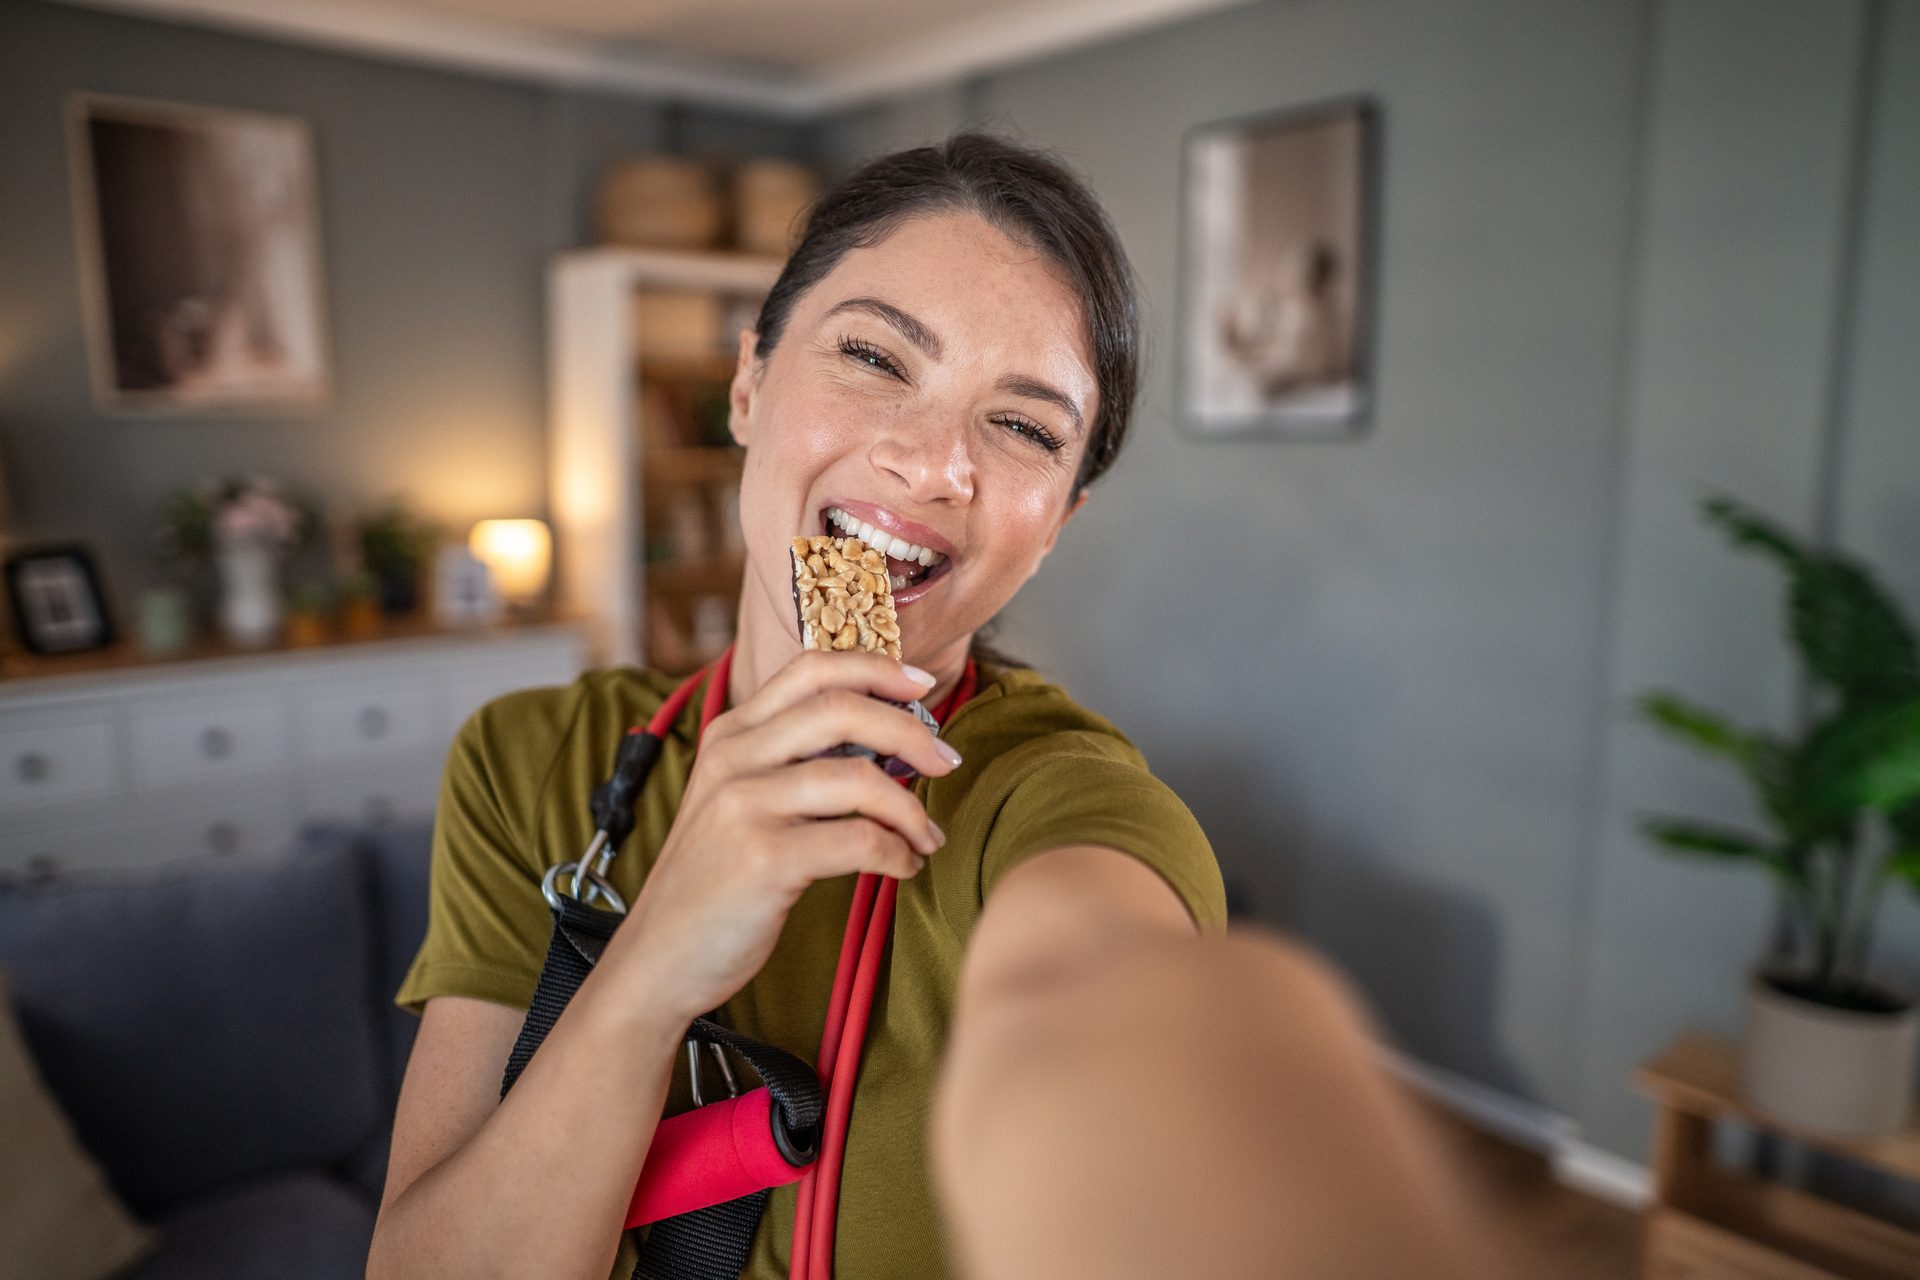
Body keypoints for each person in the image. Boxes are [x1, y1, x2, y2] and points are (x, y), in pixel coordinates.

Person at [366, 134, 1492, 1280]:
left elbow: (1104, 989)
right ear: (748, 384)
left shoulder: (1055, 801)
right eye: (874, 355)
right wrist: (649, 967)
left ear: (1054, 526)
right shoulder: (528, 759)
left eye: (1024, 426)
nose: (932, 462)